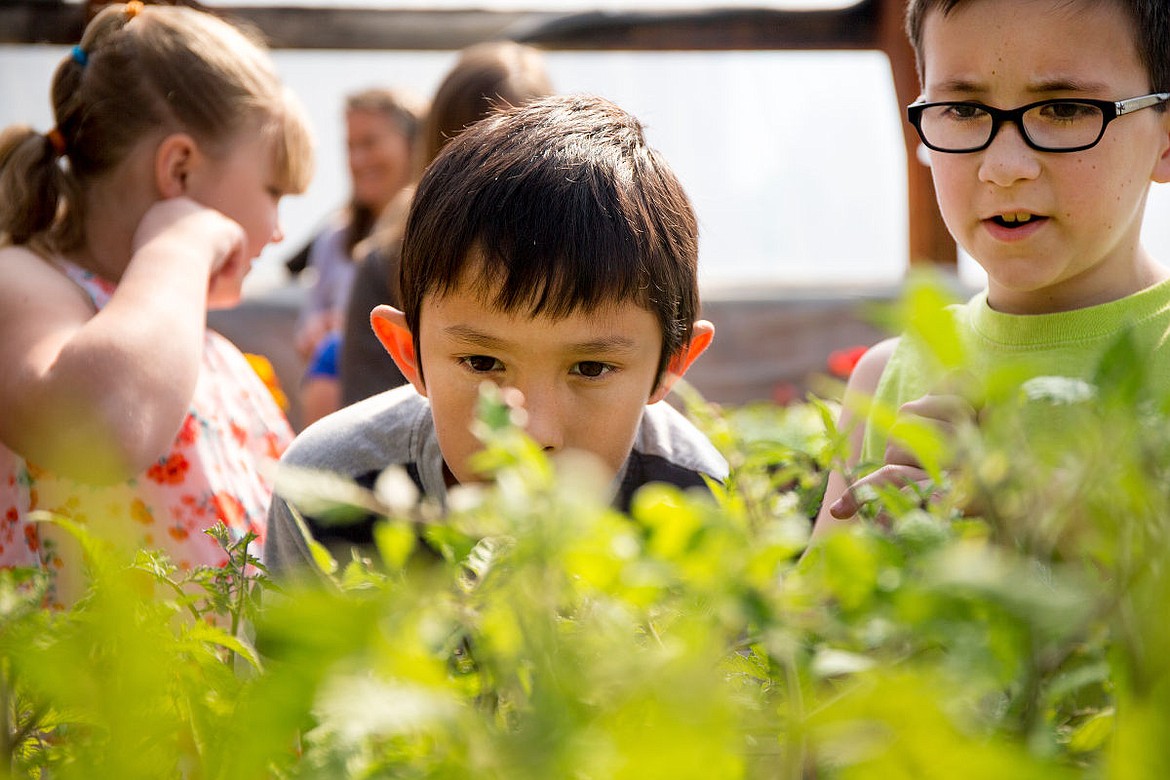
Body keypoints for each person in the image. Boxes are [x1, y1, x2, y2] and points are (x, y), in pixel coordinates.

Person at [266, 94, 727, 571]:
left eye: (590, 368)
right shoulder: (329, 490)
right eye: (483, 363)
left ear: (670, 365)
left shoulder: (695, 500)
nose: (532, 433)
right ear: (408, 353)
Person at [813, 0, 1170, 537]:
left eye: (1065, 109)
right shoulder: (887, 377)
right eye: (964, 111)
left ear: (1165, 140)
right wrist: (890, 546)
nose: (1005, 168)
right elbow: (810, 619)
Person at [0, 1, 314, 603]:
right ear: (180, 172)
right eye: (273, 190)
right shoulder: (24, 280)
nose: (277, 232)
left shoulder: (206, 350)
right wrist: (182, 236)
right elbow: (95, 428)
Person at [339, 41, 553, 407]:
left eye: (520, 146)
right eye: (479, 146)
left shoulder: (589, 253)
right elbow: (370, 411)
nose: (500, 167)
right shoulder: (389, 261)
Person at [296, 88, 424, 426]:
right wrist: (319, 328)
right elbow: (308, 325)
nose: (358, 160)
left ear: (411, 144)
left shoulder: (427, 234)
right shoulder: (333, 239)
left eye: (370, 143)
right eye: (351, 147)